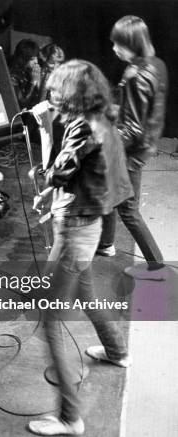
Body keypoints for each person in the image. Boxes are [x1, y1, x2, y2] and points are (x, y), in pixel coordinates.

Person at [28, 60, 134, 436]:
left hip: (75, 229)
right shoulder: (103, 119)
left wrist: (43, 130)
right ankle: (117, 351)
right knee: (86, 293)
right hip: (86, 223)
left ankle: (70, 418)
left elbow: (56, 171)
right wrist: (49, 196)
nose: (51, 95)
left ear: (71, 93)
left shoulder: (80, 127)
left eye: (57, 90)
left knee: (50, 319)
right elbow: (80, 176)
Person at [98, 15, 168, 281]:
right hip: (144, 146)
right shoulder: (155, 64)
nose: (114, 48)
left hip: (132, 152)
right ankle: (105, 244)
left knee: (128, 209)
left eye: (119, 43)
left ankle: (157, 266)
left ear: (132, 43)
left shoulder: (138, 76)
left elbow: (132, 128)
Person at [10, 39, 42, 109]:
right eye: (32, 59)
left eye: (36, 58)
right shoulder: (13, 76)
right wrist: (33, 82)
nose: (36, 62)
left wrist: (39, 84)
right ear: (21, 59)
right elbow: (22, 102)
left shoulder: (30, 72)